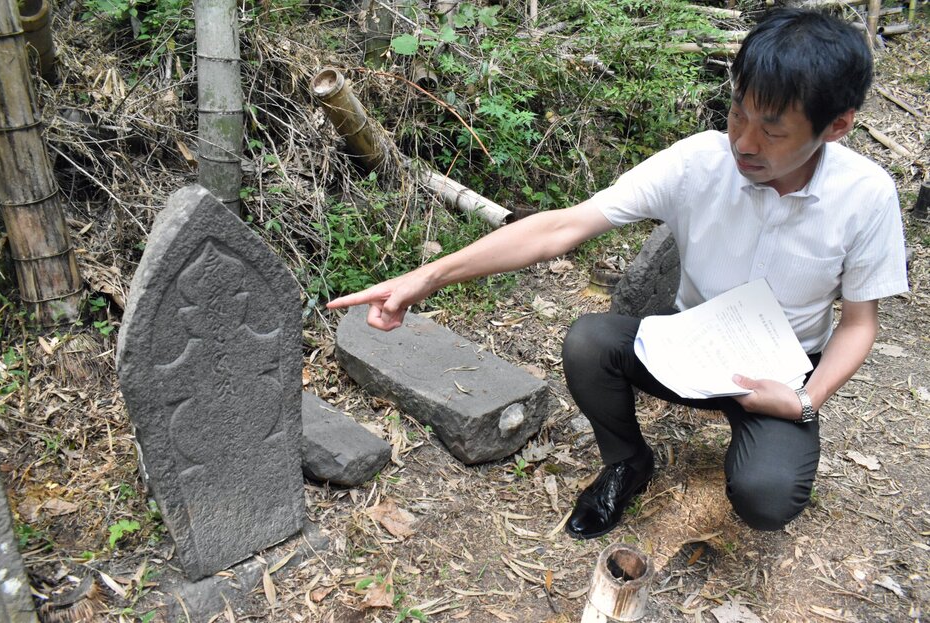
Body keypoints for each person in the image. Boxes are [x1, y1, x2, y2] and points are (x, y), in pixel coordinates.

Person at [326, 8, 908, 539]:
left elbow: (859, 323)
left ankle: (767, 442)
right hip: (687, 344)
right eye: (737, 113)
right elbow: (563, 226)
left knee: (766, 499)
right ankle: (627, 462)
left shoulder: (865, 197)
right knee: (589, 341)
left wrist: (804, 401)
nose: (744, 143)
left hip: (781, 372)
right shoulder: (698, 162)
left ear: (836, 126)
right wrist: (426, 277)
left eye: (773, 131)